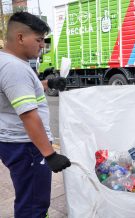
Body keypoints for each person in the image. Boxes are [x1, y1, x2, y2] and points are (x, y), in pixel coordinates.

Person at [0, 12, 71, 217]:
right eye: (38, 40)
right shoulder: (14, 67)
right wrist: (50, 154)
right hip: (27, 146)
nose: (42, 45)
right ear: (21, 37)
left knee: (30, 196)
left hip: (17, 143)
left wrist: (47, 84)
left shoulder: (8, 61)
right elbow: (29, 116)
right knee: (33, 202)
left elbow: (16, 92)